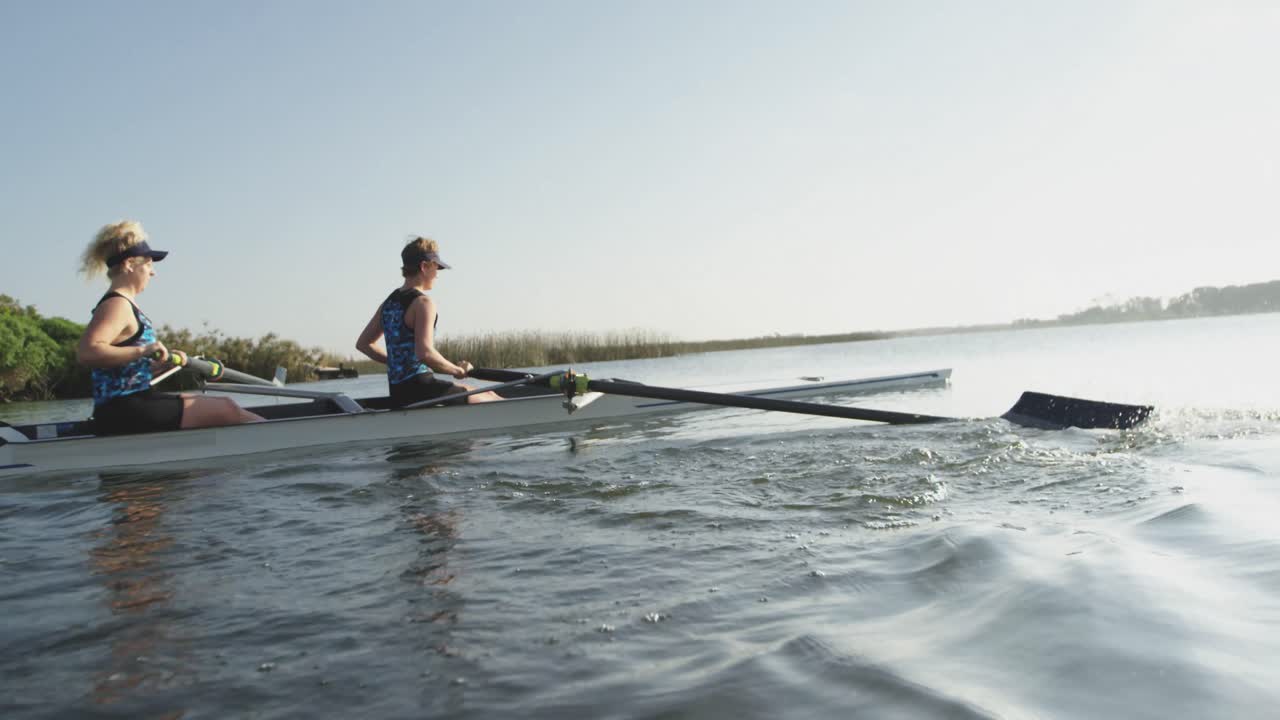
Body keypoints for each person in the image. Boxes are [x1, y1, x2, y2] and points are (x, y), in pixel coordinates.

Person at [76, 220, 263, 435]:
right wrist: (144, 350)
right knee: (227, 408)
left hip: (131, 404)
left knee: (223, 406)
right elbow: (88, 352)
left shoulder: (124, 304)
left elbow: (120, 370)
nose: (152, 272)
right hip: (123, 410)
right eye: (148, 264)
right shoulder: (117, 304)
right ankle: (279, 440)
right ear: (129, 264)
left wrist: (160, 365)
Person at [356, 236, 502, 408]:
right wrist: (458, 370)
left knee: (482, 393)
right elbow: (425, 353)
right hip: (422, 388)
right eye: (436, 268)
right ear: (424, 267)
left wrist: (397, 362)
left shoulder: (388, 304)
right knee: (490, 396)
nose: (437, 275)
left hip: (398, 392)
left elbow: (364, 344)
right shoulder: (424, 303)